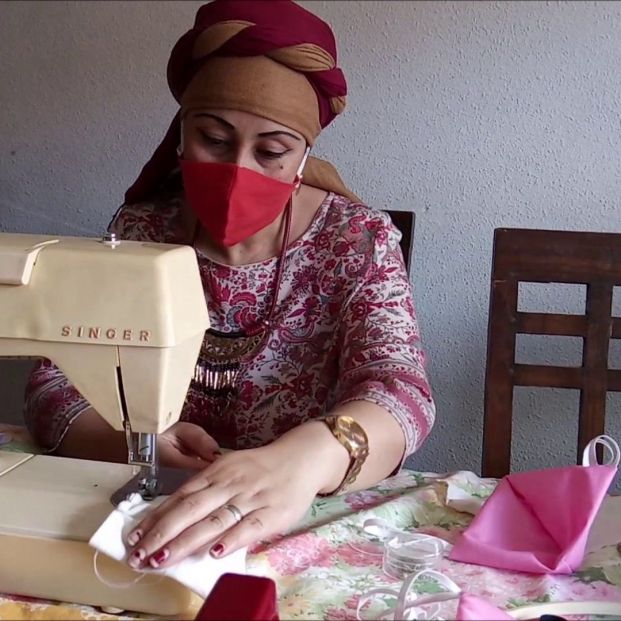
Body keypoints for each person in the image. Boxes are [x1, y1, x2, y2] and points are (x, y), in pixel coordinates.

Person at [23, 0, 435, 569]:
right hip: (154, 507)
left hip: (294, 516)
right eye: (213, 140)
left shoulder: (356, 241)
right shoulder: (142, 232)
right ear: (180, 137)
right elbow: (56, 380)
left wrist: (304, 460)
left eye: (271, 152)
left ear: (303, 156)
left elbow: (400, 394)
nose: (239, 168)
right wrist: (135, 442)